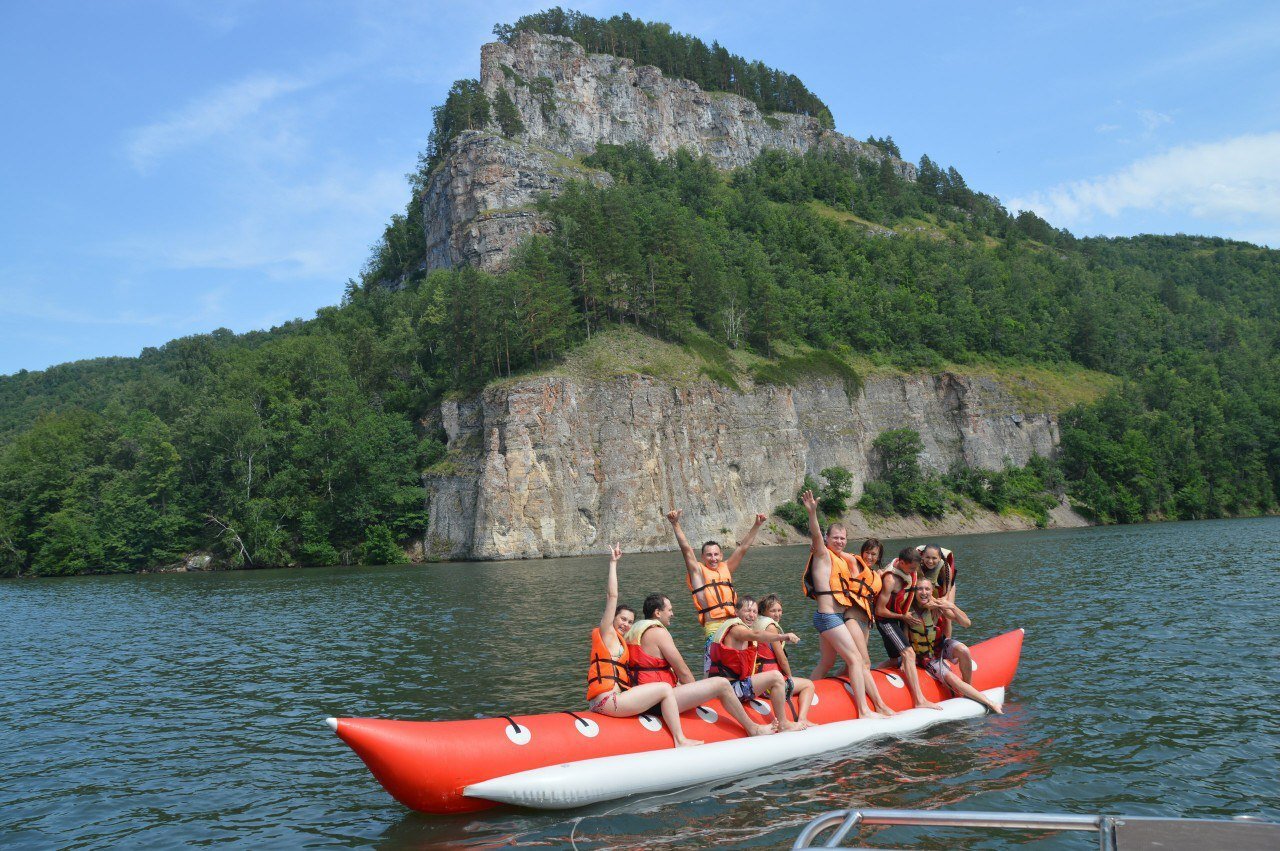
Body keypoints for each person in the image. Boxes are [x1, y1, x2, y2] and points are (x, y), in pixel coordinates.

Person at [586, 544, 702, 746]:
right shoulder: (606, 633)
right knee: (665, 688)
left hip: (606, 701)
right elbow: (612, 596)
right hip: (609, 701)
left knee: (668, 687)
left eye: (630, 622)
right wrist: (613, 563)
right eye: (622, 619)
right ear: (612, 619)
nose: (626, 624)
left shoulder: (621, 641)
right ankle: (680, 739)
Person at [798, 490, 892, 718]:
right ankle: (863, 710)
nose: (839, 541)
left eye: (843, 538)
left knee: (827, 662)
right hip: (828, 616)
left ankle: (803, 699)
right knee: (856, 659)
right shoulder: (823, 555)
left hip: (836, 618)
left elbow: (865, 573)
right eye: (835, 538)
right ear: (827, 539)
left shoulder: (843, 559)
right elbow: (816, 536)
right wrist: (812, 513)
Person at [626, 593, 775, 737]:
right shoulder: (658, 632)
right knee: (721, 684)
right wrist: (699, 696)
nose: (672, 614)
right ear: (658, 612)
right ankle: (753, 728)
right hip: (659, 701)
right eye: (669, 610)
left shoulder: (633, 631)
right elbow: (683, 671)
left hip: (641, 697)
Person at [808, 534, 889, 702]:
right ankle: (878, 703)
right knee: (863, 662)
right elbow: (832, 549)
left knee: (845, 664)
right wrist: (818, 546)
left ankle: (830, 688)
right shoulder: (854, 563)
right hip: (851, 618)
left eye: (874, 554)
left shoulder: (877, 574)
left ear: (879, 557)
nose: (869, 557)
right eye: (867, 552)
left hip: (865, 623)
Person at [905, 578, 1002, 714]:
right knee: (951, 677)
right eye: (919, 589)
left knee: (964, 650)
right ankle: (989, 702)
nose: (923, 592)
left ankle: (968, 689)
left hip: (940, 645)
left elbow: (966, 623)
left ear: (932, 591)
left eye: (927, 589)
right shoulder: (908, 611)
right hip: (927, 656)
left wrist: (951, 606)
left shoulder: (938, 607)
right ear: (914, 592)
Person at [666, 508, 767, 639]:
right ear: (702, 557)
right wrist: (675, 524)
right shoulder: (698, 572)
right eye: (709, 555)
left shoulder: (726, 567)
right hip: (714, 625)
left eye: (716, 554)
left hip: (733, 621)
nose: (713, 558)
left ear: (721, 555)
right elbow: (686, 549)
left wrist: (757, 525)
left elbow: (743, 548)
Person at [705, 612, 805, 731]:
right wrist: (782, 636)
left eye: (754, 611)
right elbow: (756, 634)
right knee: (777, 677)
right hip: (733, 691)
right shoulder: (737, 630)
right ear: (737, 613)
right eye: (747, 610)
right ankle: (783, 723)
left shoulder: (721, 634)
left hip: (726, 689)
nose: (751, 615)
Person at [875, 546, 943, 710]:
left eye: (916, 567)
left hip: (899, 619)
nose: (915, 570)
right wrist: (902, 617)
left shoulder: (911, 571)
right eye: (912, 568)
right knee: (908, 653)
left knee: (894, 660)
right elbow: (879, 610)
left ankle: (866, 673)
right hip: (886, 621)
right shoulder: (890, 579)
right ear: (902, 563)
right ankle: (919, 700)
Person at [747, 593, 817, 728]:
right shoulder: (771, 627)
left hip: (756, 682)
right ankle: (803, 719)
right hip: (771, 686)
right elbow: (782, 658)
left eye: (779, 610)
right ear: (764, 611)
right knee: (808, 685)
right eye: (773, 611)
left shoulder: (754, 624)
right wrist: (789, 678)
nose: (777, 614)